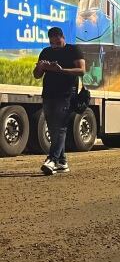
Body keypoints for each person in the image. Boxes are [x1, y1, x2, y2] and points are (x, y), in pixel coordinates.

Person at [33, 27, 85, 175]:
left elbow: (82, 70)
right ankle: (62, 162)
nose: (54, 45)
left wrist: (61, 70)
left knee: (61, 127)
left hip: (67, 94)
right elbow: (37, 75)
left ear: (62, 37)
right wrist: (41, 67)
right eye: (51, 43)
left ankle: (52, 159)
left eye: (56, 42)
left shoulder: (73, 50)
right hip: (48, 94)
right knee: (53, 128)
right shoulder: (46, 52)